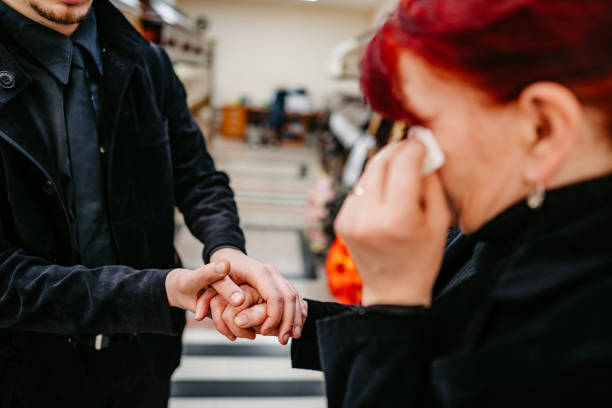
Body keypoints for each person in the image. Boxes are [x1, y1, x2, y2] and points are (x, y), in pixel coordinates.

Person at [229, 0, 612, 406]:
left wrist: (389, 304)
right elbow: (440, 327)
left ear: (543, 128)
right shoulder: (503, 224)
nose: (413, 153)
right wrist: (299, 317)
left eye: (424, 124)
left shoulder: (581, 334)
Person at [0, 0, 305, 406]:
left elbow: (197, 176)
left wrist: (228, 251)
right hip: (27, 369)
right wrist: (157, 291)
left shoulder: (145, 61)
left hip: (143, 358)